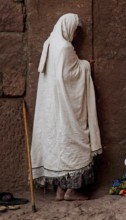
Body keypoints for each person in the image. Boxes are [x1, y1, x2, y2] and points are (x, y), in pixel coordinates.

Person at [31, 13, 102, 201]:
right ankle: (72, 191)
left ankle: (60, 190)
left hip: (52, 109)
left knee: (60, 145)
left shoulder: (49, 44)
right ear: (68, 27)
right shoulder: (64, 47)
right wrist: (86, 65)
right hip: (66, 109)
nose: (76, 36)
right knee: (74, 144)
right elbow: (70, 76)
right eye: (76, 31)